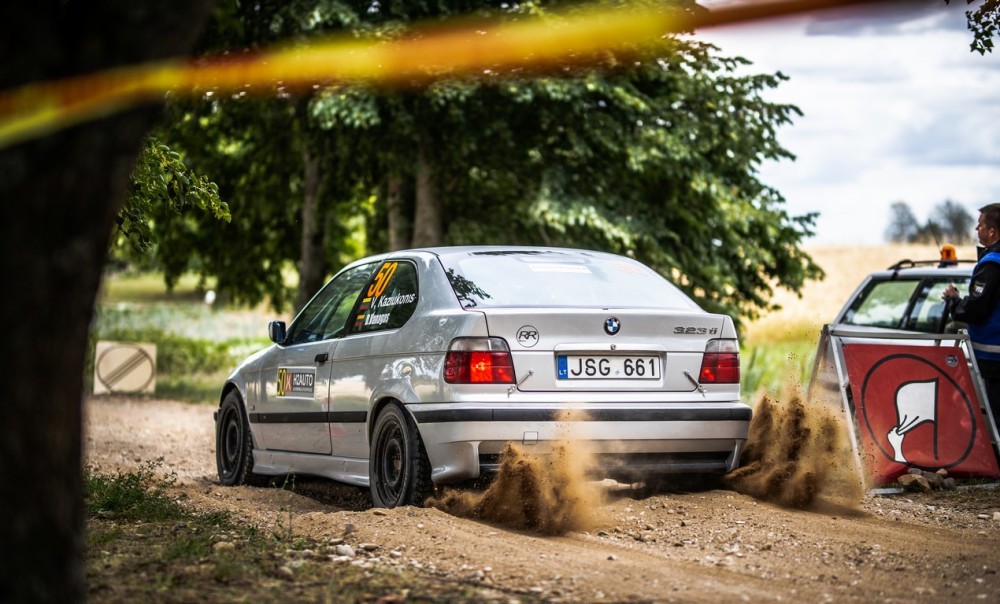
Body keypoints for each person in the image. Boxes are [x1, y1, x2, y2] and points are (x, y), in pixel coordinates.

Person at [943, 203, 1000, 427]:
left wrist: (953, 301)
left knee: (996, 423)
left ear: (992, 232)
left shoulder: (992, 264)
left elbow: (976, 310)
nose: (977, 229)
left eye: (981, 225)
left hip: (995, 361)